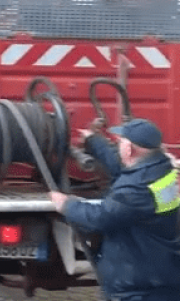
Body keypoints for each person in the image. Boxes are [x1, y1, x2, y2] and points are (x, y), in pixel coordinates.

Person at [49, 118, 180, 301]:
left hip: (139, 287)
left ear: (129, 149)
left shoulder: (135, 190)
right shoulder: (161, 171)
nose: (118, 147)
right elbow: (121, 168)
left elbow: (101, 218)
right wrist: (94, 140)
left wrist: (67, 205)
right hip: (159, 271)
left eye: (120, 143)